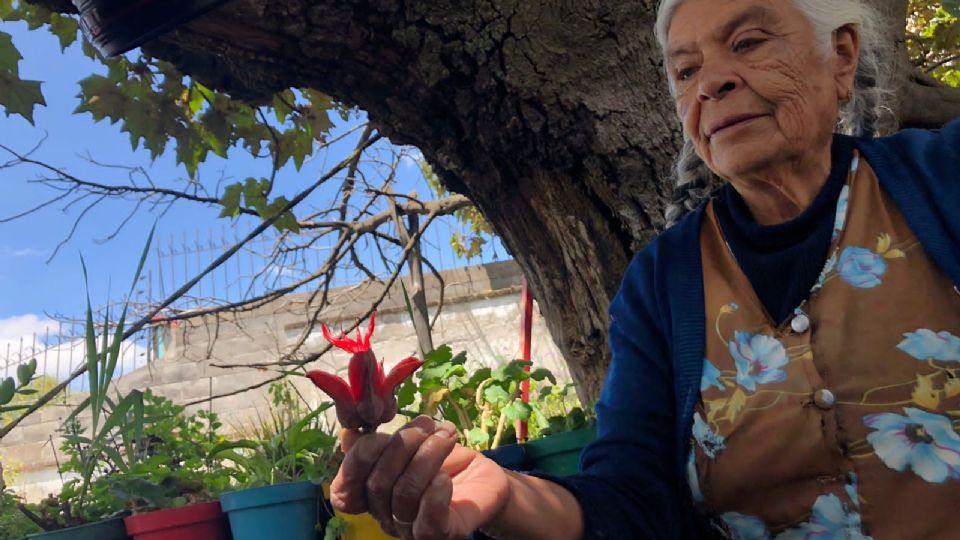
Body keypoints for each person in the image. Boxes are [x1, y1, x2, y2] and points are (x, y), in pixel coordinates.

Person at [329, 1, 960, 538]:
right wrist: (510, 494)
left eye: (748, 41)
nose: (711, 82)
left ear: (841, 57)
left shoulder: (940, 179)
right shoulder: (664, 281)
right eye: (686, 71)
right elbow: (632, 500)